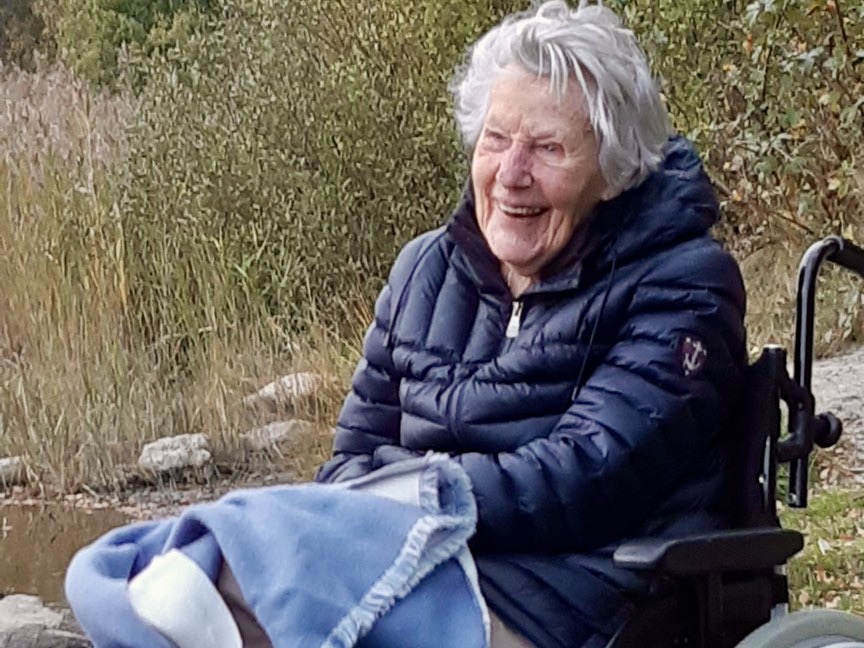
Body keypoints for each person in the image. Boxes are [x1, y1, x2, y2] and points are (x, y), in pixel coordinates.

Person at [315, 1, 748, 647]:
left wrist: (409, 497)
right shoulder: (424, 270)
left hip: (588, 597)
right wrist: (384, 508)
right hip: (419, 567)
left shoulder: (684, 283)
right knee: (213, 575)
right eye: (495, 139)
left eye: (548, 148)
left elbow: (584, 477)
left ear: (614, 170)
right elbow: (346, 462)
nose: (511, 174)